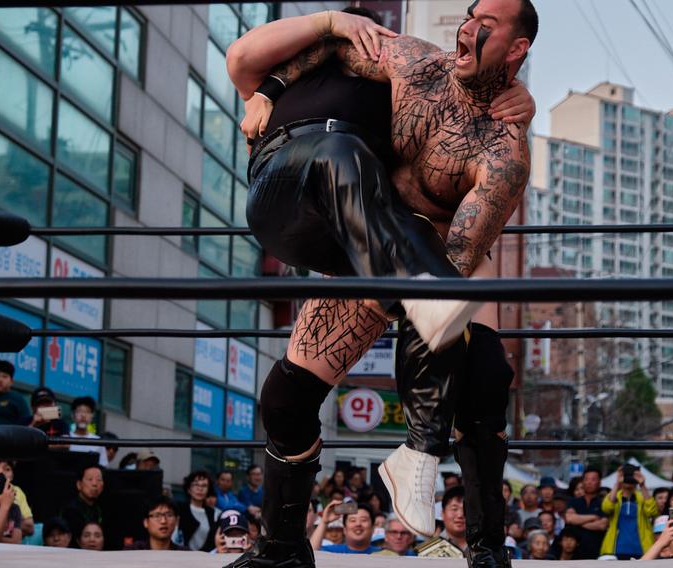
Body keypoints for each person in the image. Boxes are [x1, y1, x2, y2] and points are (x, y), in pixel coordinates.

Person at [224, 3, 537, 567]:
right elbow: (333, 49)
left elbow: (460, 258)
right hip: (362, 248)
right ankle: (281, 548)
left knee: (484, 377)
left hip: (432, 261)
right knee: (286, 398)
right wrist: (268, 89)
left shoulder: (504, 151)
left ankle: (486, 545)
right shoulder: (415, 63)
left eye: (487, 23)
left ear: (517, 50)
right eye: (469, 14)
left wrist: (405, 295)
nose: (469, 25)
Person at [600, 465, 659, 560]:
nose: (629, 479)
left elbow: (652, 512)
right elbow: (607, 508)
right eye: (627, 475)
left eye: (632, 475)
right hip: (617, 549)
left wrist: (642, 485)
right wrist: (617, 484)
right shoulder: (615, 497)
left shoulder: (642, 497)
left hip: (641, 548)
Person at [565, 467, 608, 559]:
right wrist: (593, 517)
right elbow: (570, 518)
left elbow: (602, 525)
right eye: (586, 479)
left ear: (599, 482)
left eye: (593, 479)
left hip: (598, 551)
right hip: (575, 553)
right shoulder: (573, 501)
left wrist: (578, 522)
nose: (589, 482)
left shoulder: (603, 503)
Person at [59, 464, 104, 546]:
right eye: (90, 479)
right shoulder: (70, 510)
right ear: (79, 485)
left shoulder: (104, 508)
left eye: (99, 480)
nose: (95, 484)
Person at [312, 501, 380, 554]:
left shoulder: (383, 554)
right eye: (353, 520)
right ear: (344, 529)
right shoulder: (331, 551)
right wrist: (324, 522)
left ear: (373, 528)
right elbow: (311, 556)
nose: (358, 524)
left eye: (363, 520)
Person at [179, 470, 217, 552]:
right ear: (189, 489)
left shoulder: (211, 512)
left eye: (204, 486)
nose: (200, 489)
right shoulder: (180, 509)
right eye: (196, 485)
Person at [67, 396, 109, 466]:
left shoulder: (98, 441)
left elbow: (103, 467)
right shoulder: (65, 438)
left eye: (87, 412)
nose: (83, 415)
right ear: (72, 415)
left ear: (92, 416)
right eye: (79, 411)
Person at [0, 360, 30, 426]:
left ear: (11, 381)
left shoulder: (18, 399)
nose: (0, 380)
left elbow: (26, 424)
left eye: (5, 376)